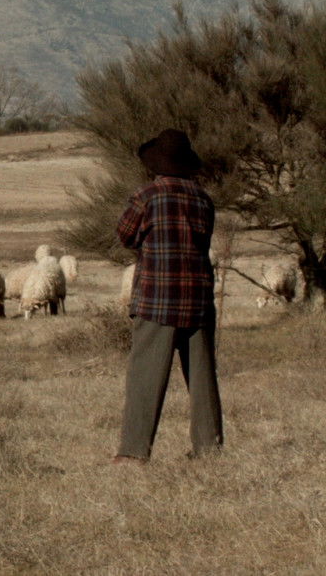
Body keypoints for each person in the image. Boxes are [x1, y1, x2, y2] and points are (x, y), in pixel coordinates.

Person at [113, 128, 223, 465]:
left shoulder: (147, 196)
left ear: (156, 163)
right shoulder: (203, 199)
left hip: (157, 299)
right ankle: (209, 449)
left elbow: (125, 235)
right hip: (198, 300)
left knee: (145, 375)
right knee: (203, 378)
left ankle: (134, 452)